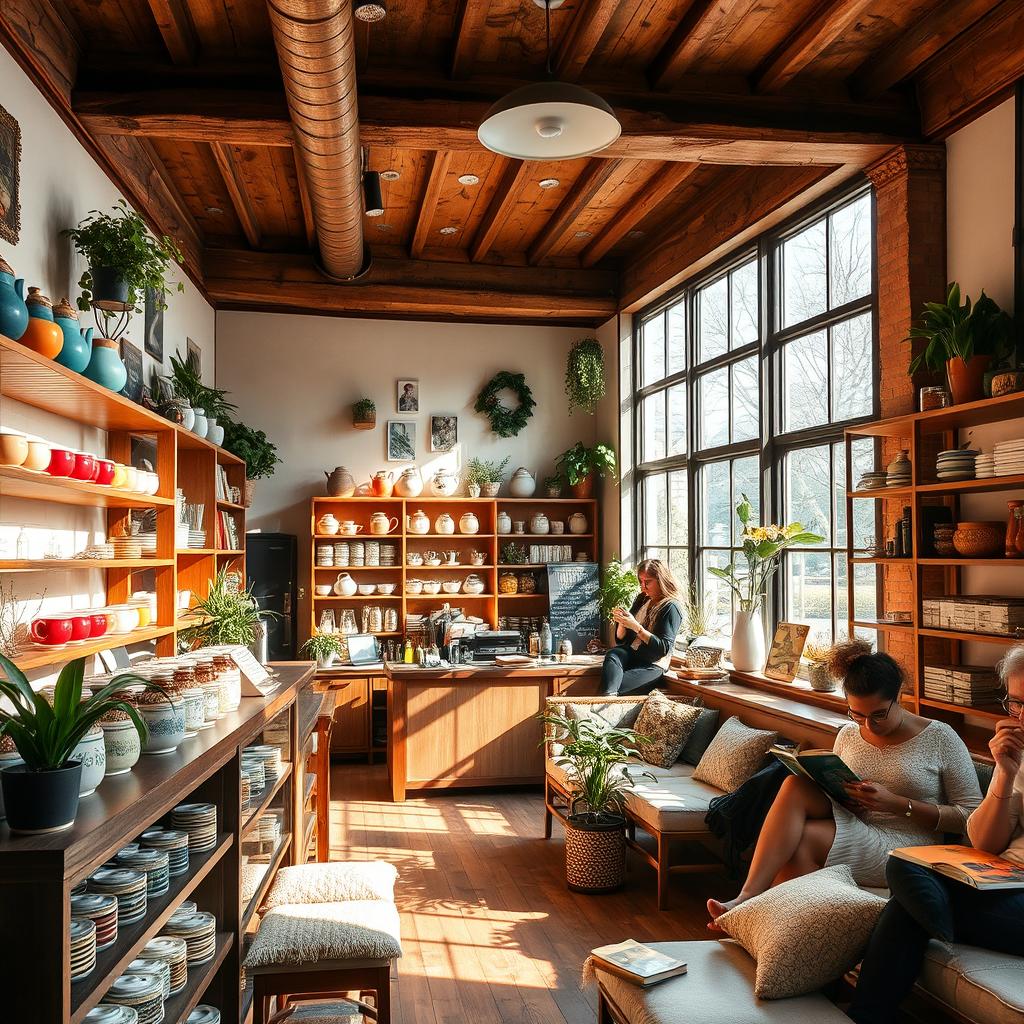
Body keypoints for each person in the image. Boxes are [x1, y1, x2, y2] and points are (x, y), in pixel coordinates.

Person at [707, 640, 982, 928]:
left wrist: (898, 804)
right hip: (858, 824)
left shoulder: (939, 737)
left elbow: (970, 817)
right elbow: (837, 788)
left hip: (909, 844)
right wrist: (842, 795)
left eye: (878, 714)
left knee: (801, 841)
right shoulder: (849, 735)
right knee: (793, 785)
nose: (868, 725)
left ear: (898, 695)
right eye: (857, 714)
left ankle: (779, 923)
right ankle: (750, 898)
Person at [848, 644, 1024, 1024]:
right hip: (1001, 881)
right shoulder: (1017, 754)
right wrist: (1005, 774)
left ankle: (864, 1016)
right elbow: (985, 843)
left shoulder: (939, 736)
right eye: (1015, 703)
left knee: (906, 899)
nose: (1021, 717)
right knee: (906, 867)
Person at [599, 559, 683, 696]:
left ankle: (606, 699)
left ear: (661, 580)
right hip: (631, 655)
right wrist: (622, 622)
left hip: (652, 664)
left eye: (647, 582)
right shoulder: (642, 598)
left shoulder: (671, 607)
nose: (643, 587)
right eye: (640, 582)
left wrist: (637, 627)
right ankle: (607, 698)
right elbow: (621, 640)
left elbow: (663, 648)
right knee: (614, 654)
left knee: (615, 689)